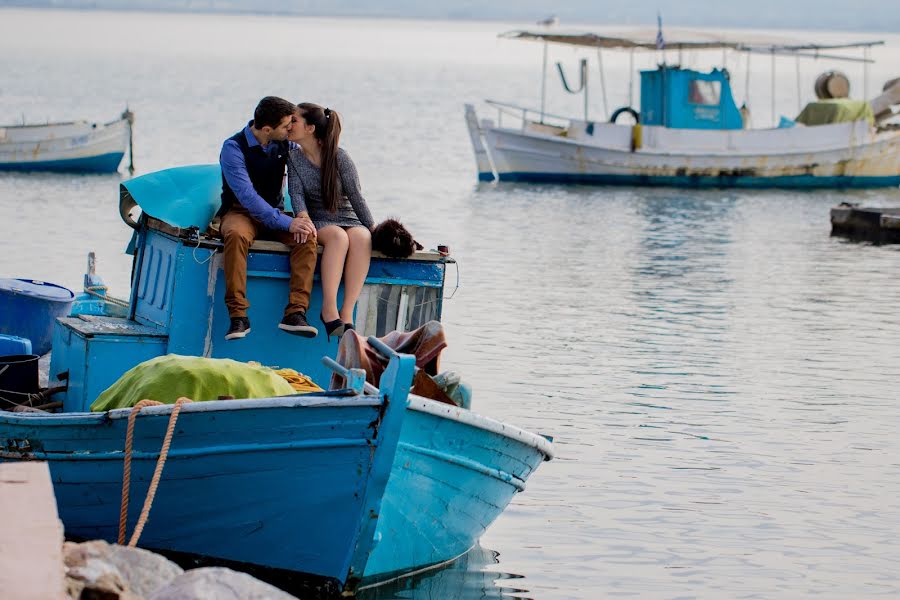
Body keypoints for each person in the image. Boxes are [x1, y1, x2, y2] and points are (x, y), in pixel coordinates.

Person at [219, 96, 319, 340]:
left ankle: (295, 313)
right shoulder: (233, 148)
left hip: (274, 212)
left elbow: (313, 159)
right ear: (267, 129)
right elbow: (248, 197)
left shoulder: (286, 145)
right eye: (286, 126)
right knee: (235, 235)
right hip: (241, 211)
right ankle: (238, 316)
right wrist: (287, 222)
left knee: (306, 237)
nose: (290, 129)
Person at [287, 103, 375, 340]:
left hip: (349, 217)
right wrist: (302, 216)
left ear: (310, 128)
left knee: (361, 236)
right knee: (337, 237)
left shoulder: (339, 156)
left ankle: (347, 313)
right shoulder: (293, 157)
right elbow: (295, 193)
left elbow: (356, 196)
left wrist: (372, 226)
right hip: (318, 219)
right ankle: (329, 309)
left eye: (294, 120)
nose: (288, 124)